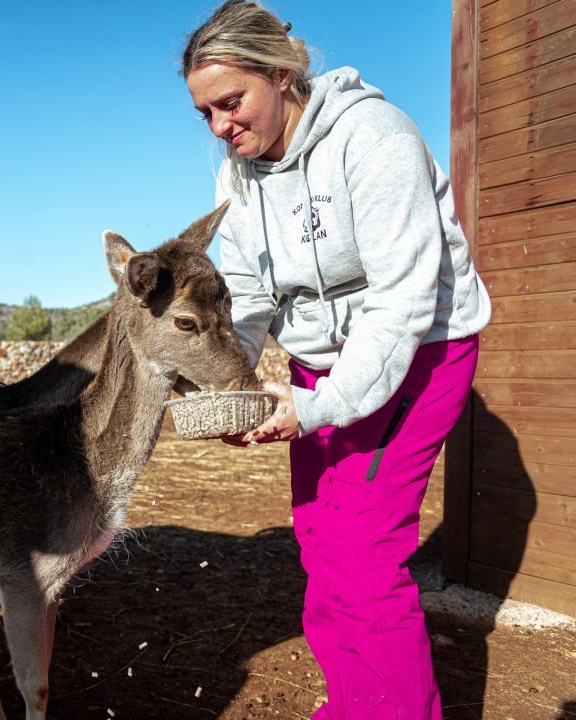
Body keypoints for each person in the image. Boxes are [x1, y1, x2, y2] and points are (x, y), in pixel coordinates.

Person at [180, 2, 491, 718]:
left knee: (362, 551)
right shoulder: (239, 171)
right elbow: (251, 292)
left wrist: (315, 408)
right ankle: (358, 702)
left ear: (281, 74)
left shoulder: (372, 139)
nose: (221, 126)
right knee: (320, 539)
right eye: (205, 114)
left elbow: (400, 303)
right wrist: (238, 379)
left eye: (231, 103)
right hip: (321, 363)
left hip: (416, 352)